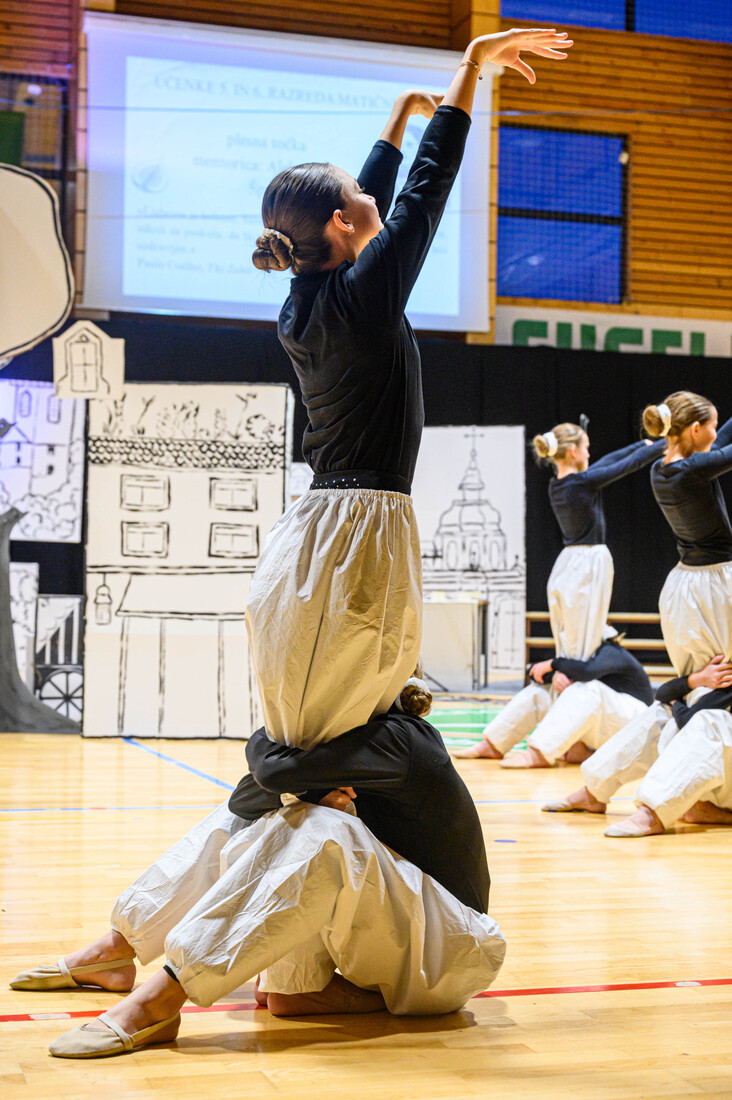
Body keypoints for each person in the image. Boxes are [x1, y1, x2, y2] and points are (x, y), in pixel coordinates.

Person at [245, 28, 573, 748]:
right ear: (341, 222)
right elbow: (428, 184)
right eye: (359, 196)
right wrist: (473, 63)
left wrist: (398, 115)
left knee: (345, 679)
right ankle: (302, 780)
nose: (372, 197)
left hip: (329, 509)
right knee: (357, 683)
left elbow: (373, 198)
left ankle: (306, 775)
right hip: (367, 515)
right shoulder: (363, 297)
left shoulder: (305, 301)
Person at [12, 690, 506, 1058]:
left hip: (449, 951)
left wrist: (286, 772)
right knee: (259, 818)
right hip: (398, 939)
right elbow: (245, 799)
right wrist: (291, 776)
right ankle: (122, 947)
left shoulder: (400, 737)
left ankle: (164, 996)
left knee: (322, 827)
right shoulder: (333, 735)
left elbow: (270, 773)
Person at [541, 655, 732, 836]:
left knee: (709, 721)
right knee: (660, 713)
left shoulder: (610, 651)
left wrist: (677, 703)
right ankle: (593, 792)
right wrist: (695, 680)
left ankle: (654, 812)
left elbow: (688, 717)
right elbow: (662, 694)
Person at [533, 423, 663, 661]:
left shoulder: (559, 484)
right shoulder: (581, 482)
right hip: (588, 563)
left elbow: (606, 462)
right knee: (585, 639)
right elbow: (628, 465)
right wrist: (670, 443)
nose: (589, 454)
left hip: (569, 563)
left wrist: (641, 445)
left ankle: (574, 671)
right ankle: (577, 676)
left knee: (575, 637)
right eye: (586, 448)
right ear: (573, 451)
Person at [454, 630, 653, 766]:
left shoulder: (612, 651)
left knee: (586, 689)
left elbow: (586, 672)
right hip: (605, 724)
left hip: (633, 723)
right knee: (541, 693)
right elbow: (535, 673)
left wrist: (554, 664)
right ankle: (494, 744)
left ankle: (541, 752)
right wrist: (555, 673)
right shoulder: (575, 654)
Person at [643, 392, 732, 677]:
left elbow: (718, 446)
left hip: (685, 583)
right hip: (718, 584)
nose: (715, 433)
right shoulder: (693, 469)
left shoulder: (658, 470)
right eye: (713, 426)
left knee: (708, 677)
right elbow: (721, 451)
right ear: (695, 429)